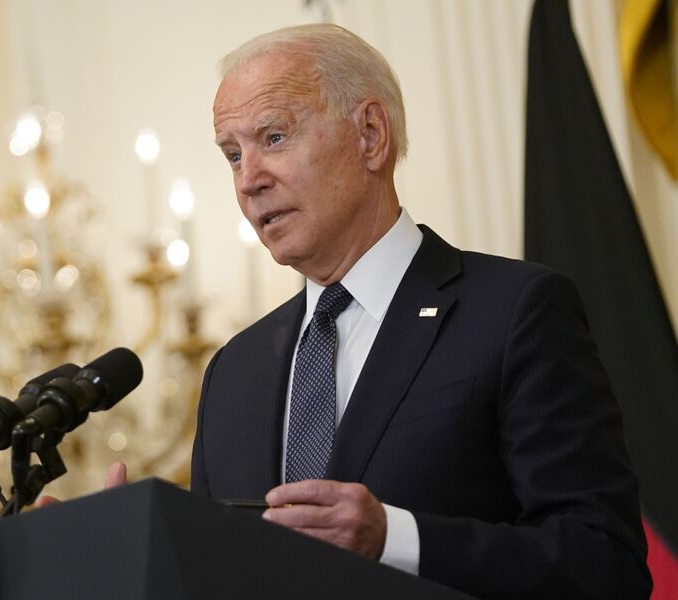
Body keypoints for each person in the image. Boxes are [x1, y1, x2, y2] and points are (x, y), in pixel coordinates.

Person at [188, 23, 652, 600]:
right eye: (232, 155)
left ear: (371, 134)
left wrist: (395, 540)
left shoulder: (514, 313)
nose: (249, 180)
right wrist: (107, 554)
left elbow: (606, 563)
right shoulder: (234, 370)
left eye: (274, 137)